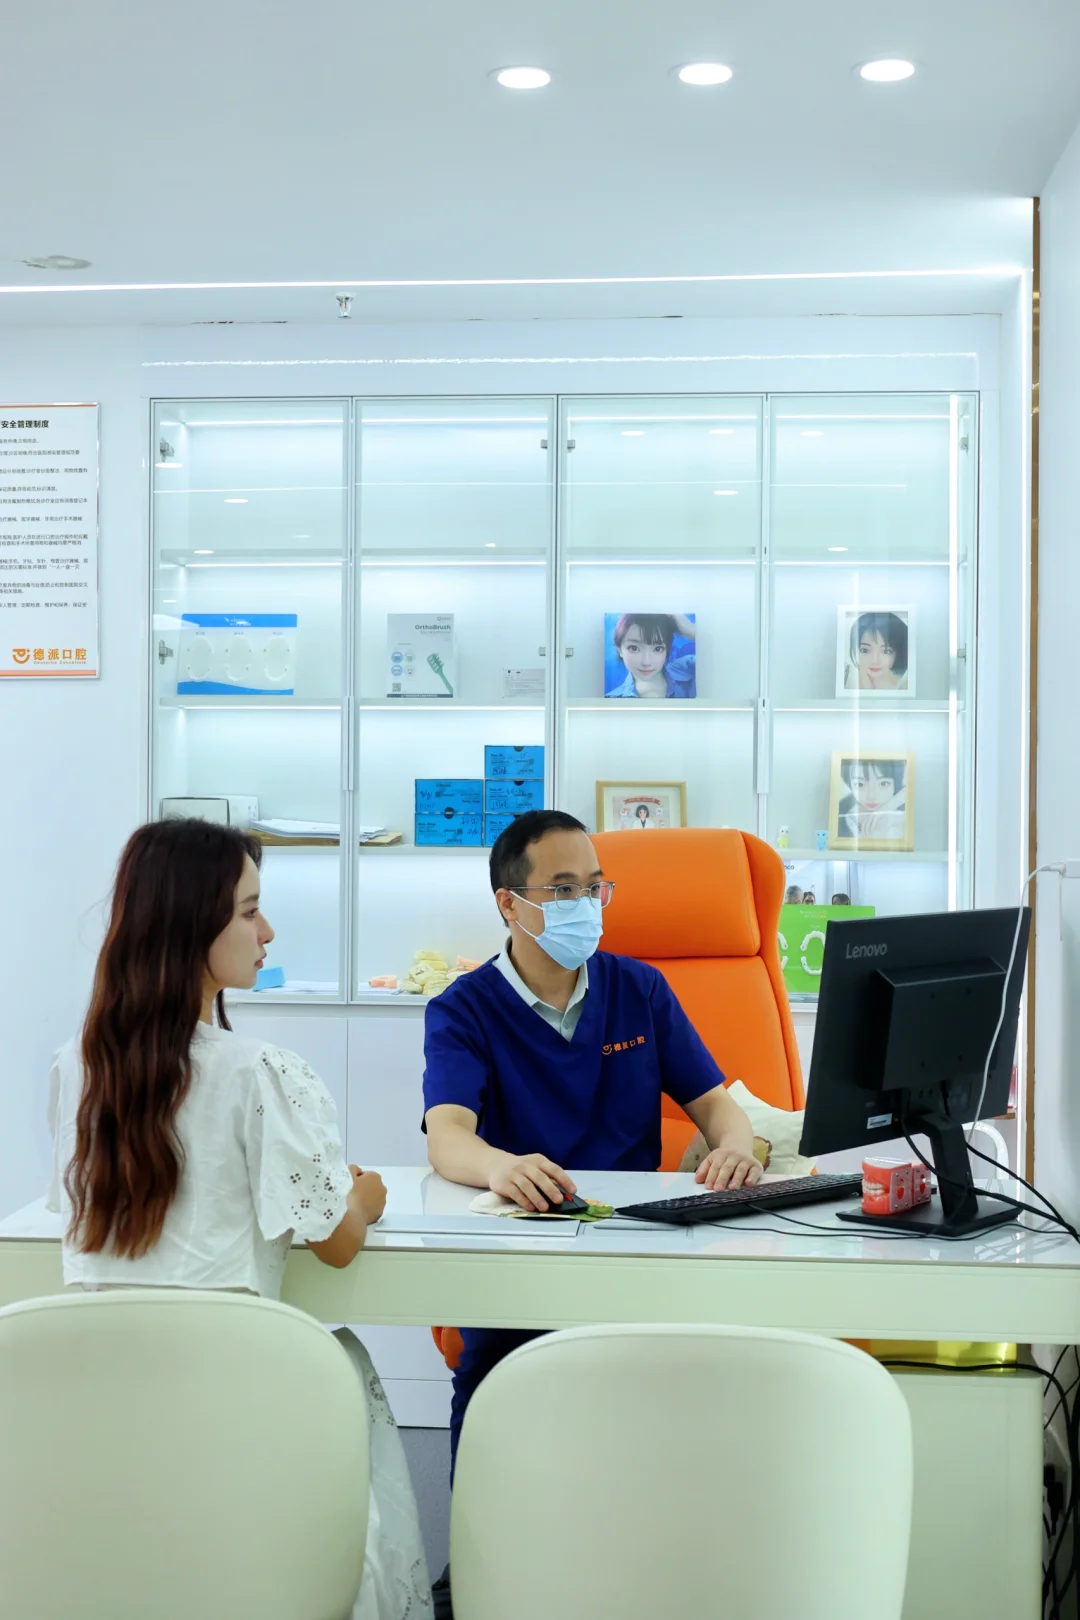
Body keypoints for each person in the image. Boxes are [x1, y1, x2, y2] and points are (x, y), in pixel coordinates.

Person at [49, 819, 431, 1620]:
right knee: (348, 1363)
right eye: (250, 912)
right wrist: (364, 1198)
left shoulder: (77, 1068)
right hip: (229, 1395)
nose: (268, 933)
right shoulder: (260, 1073)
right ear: (192, 926)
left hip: (102, 1401)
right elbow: (336, 1244)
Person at [422, 808, 760, 1611]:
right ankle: (478, 1571)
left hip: (632, 1254)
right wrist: (503, 1167)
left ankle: (644, 1573)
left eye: (596, 887)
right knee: (499, 1381)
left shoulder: (638, 989)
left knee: (657, 1397)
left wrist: (738, 1145)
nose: (587, 905)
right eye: (564, 889)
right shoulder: (464, 1008)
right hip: (521, 1260)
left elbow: (718, 1105)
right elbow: (448, 1134)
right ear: (510, 904)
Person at [605, 611, 696, 698]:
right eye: (634, 648)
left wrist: (693, 632)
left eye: (658, 649)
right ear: (620, 650)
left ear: (667, 649)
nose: (646, 662)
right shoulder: (610, 701)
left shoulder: (690, 669)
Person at [836, 757, 907, 841]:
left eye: (883, 784)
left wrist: (887, 807)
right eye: (860, 784)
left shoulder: (903, 814)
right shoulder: (847, 818)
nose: (871, 796)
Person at [843, 610, 909, 692]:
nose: (875, 661)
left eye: (886, 652)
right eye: (865, 650)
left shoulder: (905, 686)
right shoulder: (844, 677)